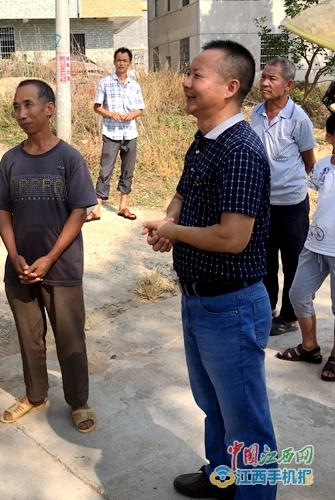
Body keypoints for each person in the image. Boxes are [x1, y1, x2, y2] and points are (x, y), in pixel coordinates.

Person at [143, 41, 277, 499]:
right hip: (199, 299)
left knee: (246, 421)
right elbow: (182, 194)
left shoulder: (240, 150)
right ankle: (222, 475)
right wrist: (169, 224)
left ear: (230, 87)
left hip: (232, 305)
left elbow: (232, 237)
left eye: (196, 75)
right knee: (213, 403)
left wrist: (175, 233)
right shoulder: (204, 140)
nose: (186, 82)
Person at [0, 79, 97, 432]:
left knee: (70, 338)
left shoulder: (68, 158)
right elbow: (3, 211)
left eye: (28, 105)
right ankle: (35, 395)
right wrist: (14, 255)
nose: (21, 113)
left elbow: (79, 212)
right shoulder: (10, 160)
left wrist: (50, 257)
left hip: (62, 268)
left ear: (49, 109)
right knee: (29, 337)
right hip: (20, 269)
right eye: (16, 106)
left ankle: (78, 401)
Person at [251, 57, 316, 336]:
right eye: (263, 76)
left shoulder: (298, 119)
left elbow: (309, 162)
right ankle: (267, 311)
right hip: (262, 202)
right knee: (264, 259)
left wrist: (290, 183)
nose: (264, 82)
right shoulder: (255, 113)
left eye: (272, 78)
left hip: (291, 204)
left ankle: (290, 317)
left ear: (288, 85)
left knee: (293, 261)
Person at [277, 112, 335, 381]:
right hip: (315, 245)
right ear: (330, 137)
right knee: (298, 294)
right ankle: (309, 346)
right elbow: (311, 194)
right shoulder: (322, 166)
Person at [86, 47, 145, 222]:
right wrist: (111, 114)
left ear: (129, 63)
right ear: (114, 62)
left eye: (125, 61)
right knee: (105, 170)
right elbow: (97, 107)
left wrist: (131, 115)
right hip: (111, 133)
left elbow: (140, 109)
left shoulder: (134, 85)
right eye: (119, 60)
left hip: (130, 134)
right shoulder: (105, 82)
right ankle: (96, 208)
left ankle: (123, 206)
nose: (121, 63)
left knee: (128, 170)